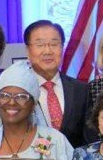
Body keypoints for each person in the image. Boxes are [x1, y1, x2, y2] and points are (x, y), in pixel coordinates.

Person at [24, 20, 91, 148]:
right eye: (40, 44)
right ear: (28, 50)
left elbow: (88, 139)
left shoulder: (81, 90)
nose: (48, 51)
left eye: (54, 44)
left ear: (62, 48)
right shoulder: (15, 90)